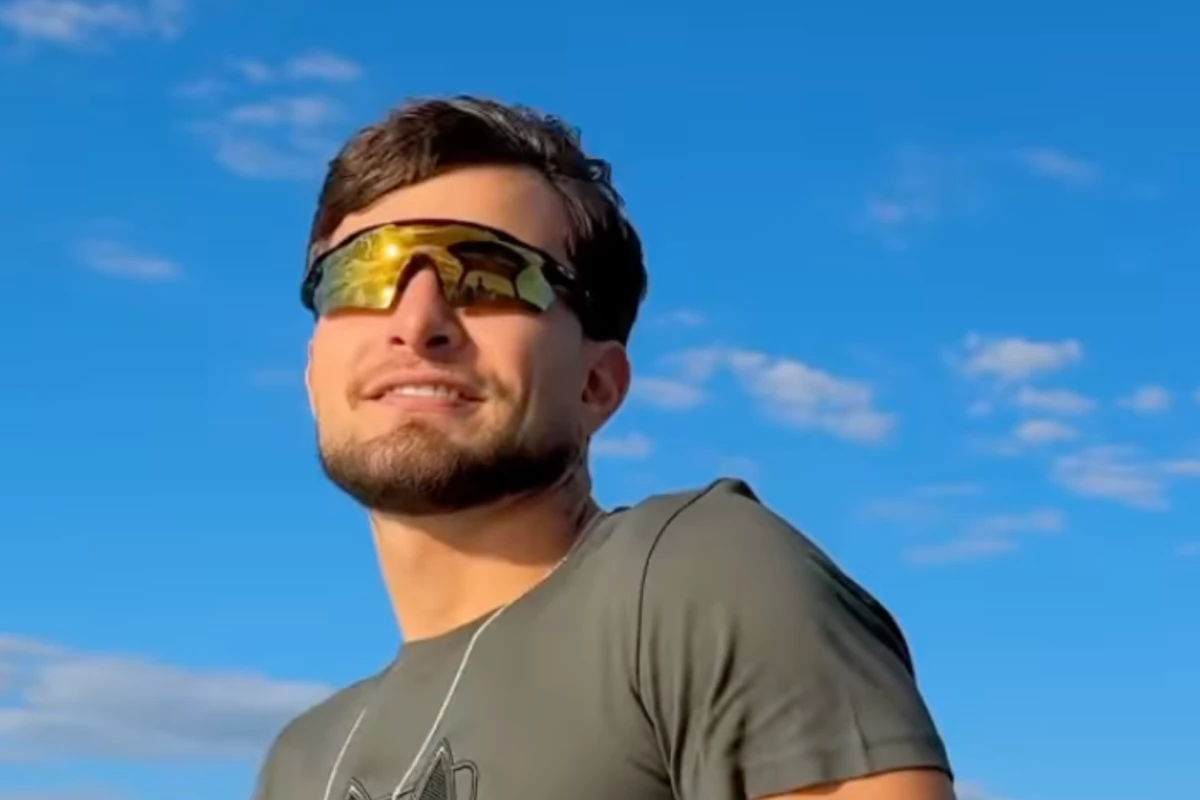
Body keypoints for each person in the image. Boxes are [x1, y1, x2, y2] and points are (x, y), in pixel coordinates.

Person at [252, 95, 955, 800]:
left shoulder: (695, 580)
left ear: (597, 383)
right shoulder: (301, 763)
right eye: (361, 273)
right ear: (314, 375)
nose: (416, 322)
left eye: (489, 272)